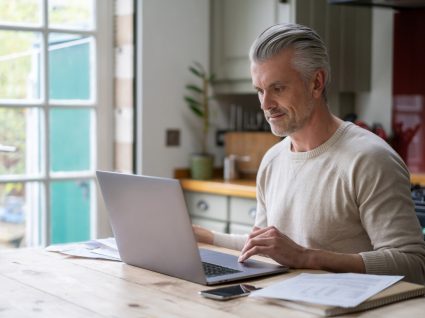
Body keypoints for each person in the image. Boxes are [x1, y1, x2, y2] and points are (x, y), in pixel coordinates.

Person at [193, 23, 425, 284]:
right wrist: (204, 237)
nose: (265, 104)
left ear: (316, 83)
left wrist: (308, 257)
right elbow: (266, 246)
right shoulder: (272, 160)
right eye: (260, 90)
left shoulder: (370, 159)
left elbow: (414, 265)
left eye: (278, 88)